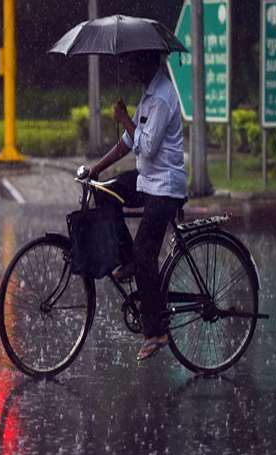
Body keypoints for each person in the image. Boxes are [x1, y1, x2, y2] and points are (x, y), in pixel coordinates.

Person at [87, 49, 188, 361]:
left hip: (166, 187)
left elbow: (145, 144)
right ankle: (129, 261)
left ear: (149, 62)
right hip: (148, 180)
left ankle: (156, 331)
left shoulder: (161, 97)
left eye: (135, 61)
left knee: (146, 253)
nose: (130, 67)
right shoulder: (149, 94)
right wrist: (97, 169)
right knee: (105, 192)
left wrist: (124, 119)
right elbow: (129, 143)